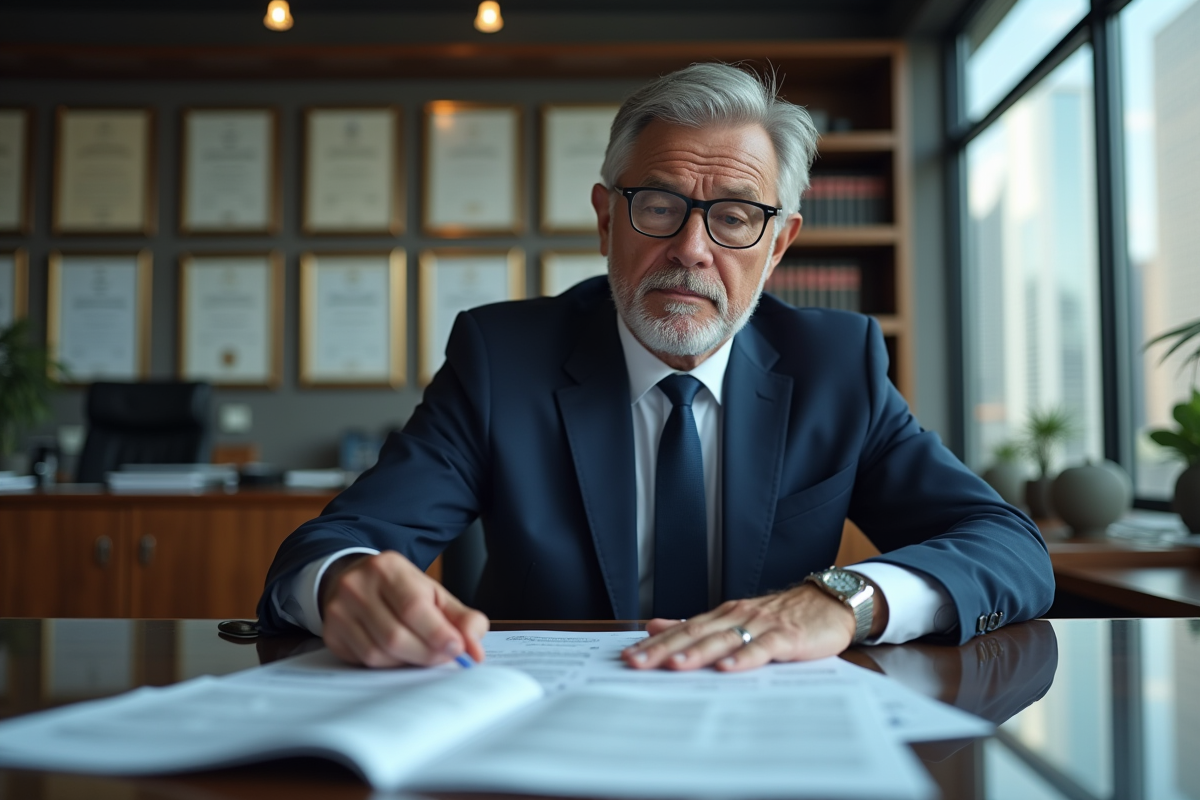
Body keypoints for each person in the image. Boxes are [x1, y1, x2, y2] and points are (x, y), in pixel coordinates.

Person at [258, 63, 1054, 672]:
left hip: (769, 735)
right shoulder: (504, 359)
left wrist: (846, 600)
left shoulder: (835, 365)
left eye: (736, 216)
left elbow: (1006, 546)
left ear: (778, 246)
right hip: (548, 730)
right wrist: (346, 581)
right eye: (659, 205)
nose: (691, 249)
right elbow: (334, 544)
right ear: (607, 220)